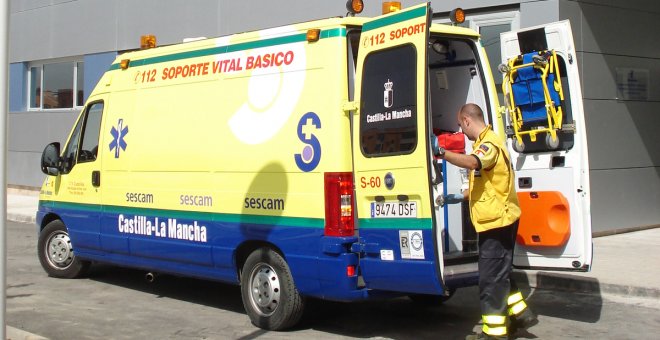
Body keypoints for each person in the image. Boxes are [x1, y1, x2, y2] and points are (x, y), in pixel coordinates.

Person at [433, 103, 537, 339]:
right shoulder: (484, 143)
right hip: (496, 219)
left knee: (491, 278)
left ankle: (494, 333)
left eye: (461, 125)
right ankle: (521, 314)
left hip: (497, 221)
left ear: (467, 121)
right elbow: (485, 182)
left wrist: (441, 153)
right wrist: (458, 197)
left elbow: (473, 163)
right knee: (499, 271)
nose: (462, 131)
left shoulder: (489, 144)